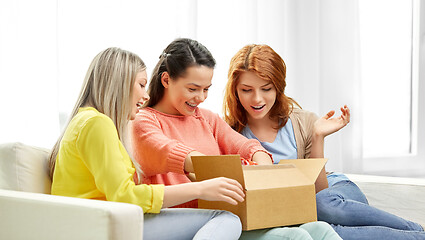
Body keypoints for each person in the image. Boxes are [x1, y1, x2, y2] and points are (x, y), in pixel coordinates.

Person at [131, 38, 342, 240]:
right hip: (188, 221)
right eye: (193, 89)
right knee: (296, 236)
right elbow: (174, 152)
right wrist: (218, 172)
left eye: (206, 89)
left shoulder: (207, 119)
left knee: (320, 229)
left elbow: (246, 146)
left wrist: (262, 165)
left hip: (228, 217)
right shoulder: (144, 122)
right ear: (166, 80)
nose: (201, 98)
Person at [223, 43, 425, 240]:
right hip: (298, 211)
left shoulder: (303, 121)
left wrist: (318, 137)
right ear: (235, 90)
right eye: (246, 90)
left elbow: (321, 192)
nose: (257, 99)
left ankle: (416, 230)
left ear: (278, 88)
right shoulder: (228, 134)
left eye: (266, 89)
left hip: (335, 194)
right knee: (323, 232)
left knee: (320, 205)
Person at [48, 47, 247, 240]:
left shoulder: (85, 120)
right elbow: (125, 196)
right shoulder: (97, 123)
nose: (146, 95)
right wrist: (201, 189)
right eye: (141, 85)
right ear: (120, 83)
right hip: (100, 227)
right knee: (226, 219)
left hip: (95, 223)